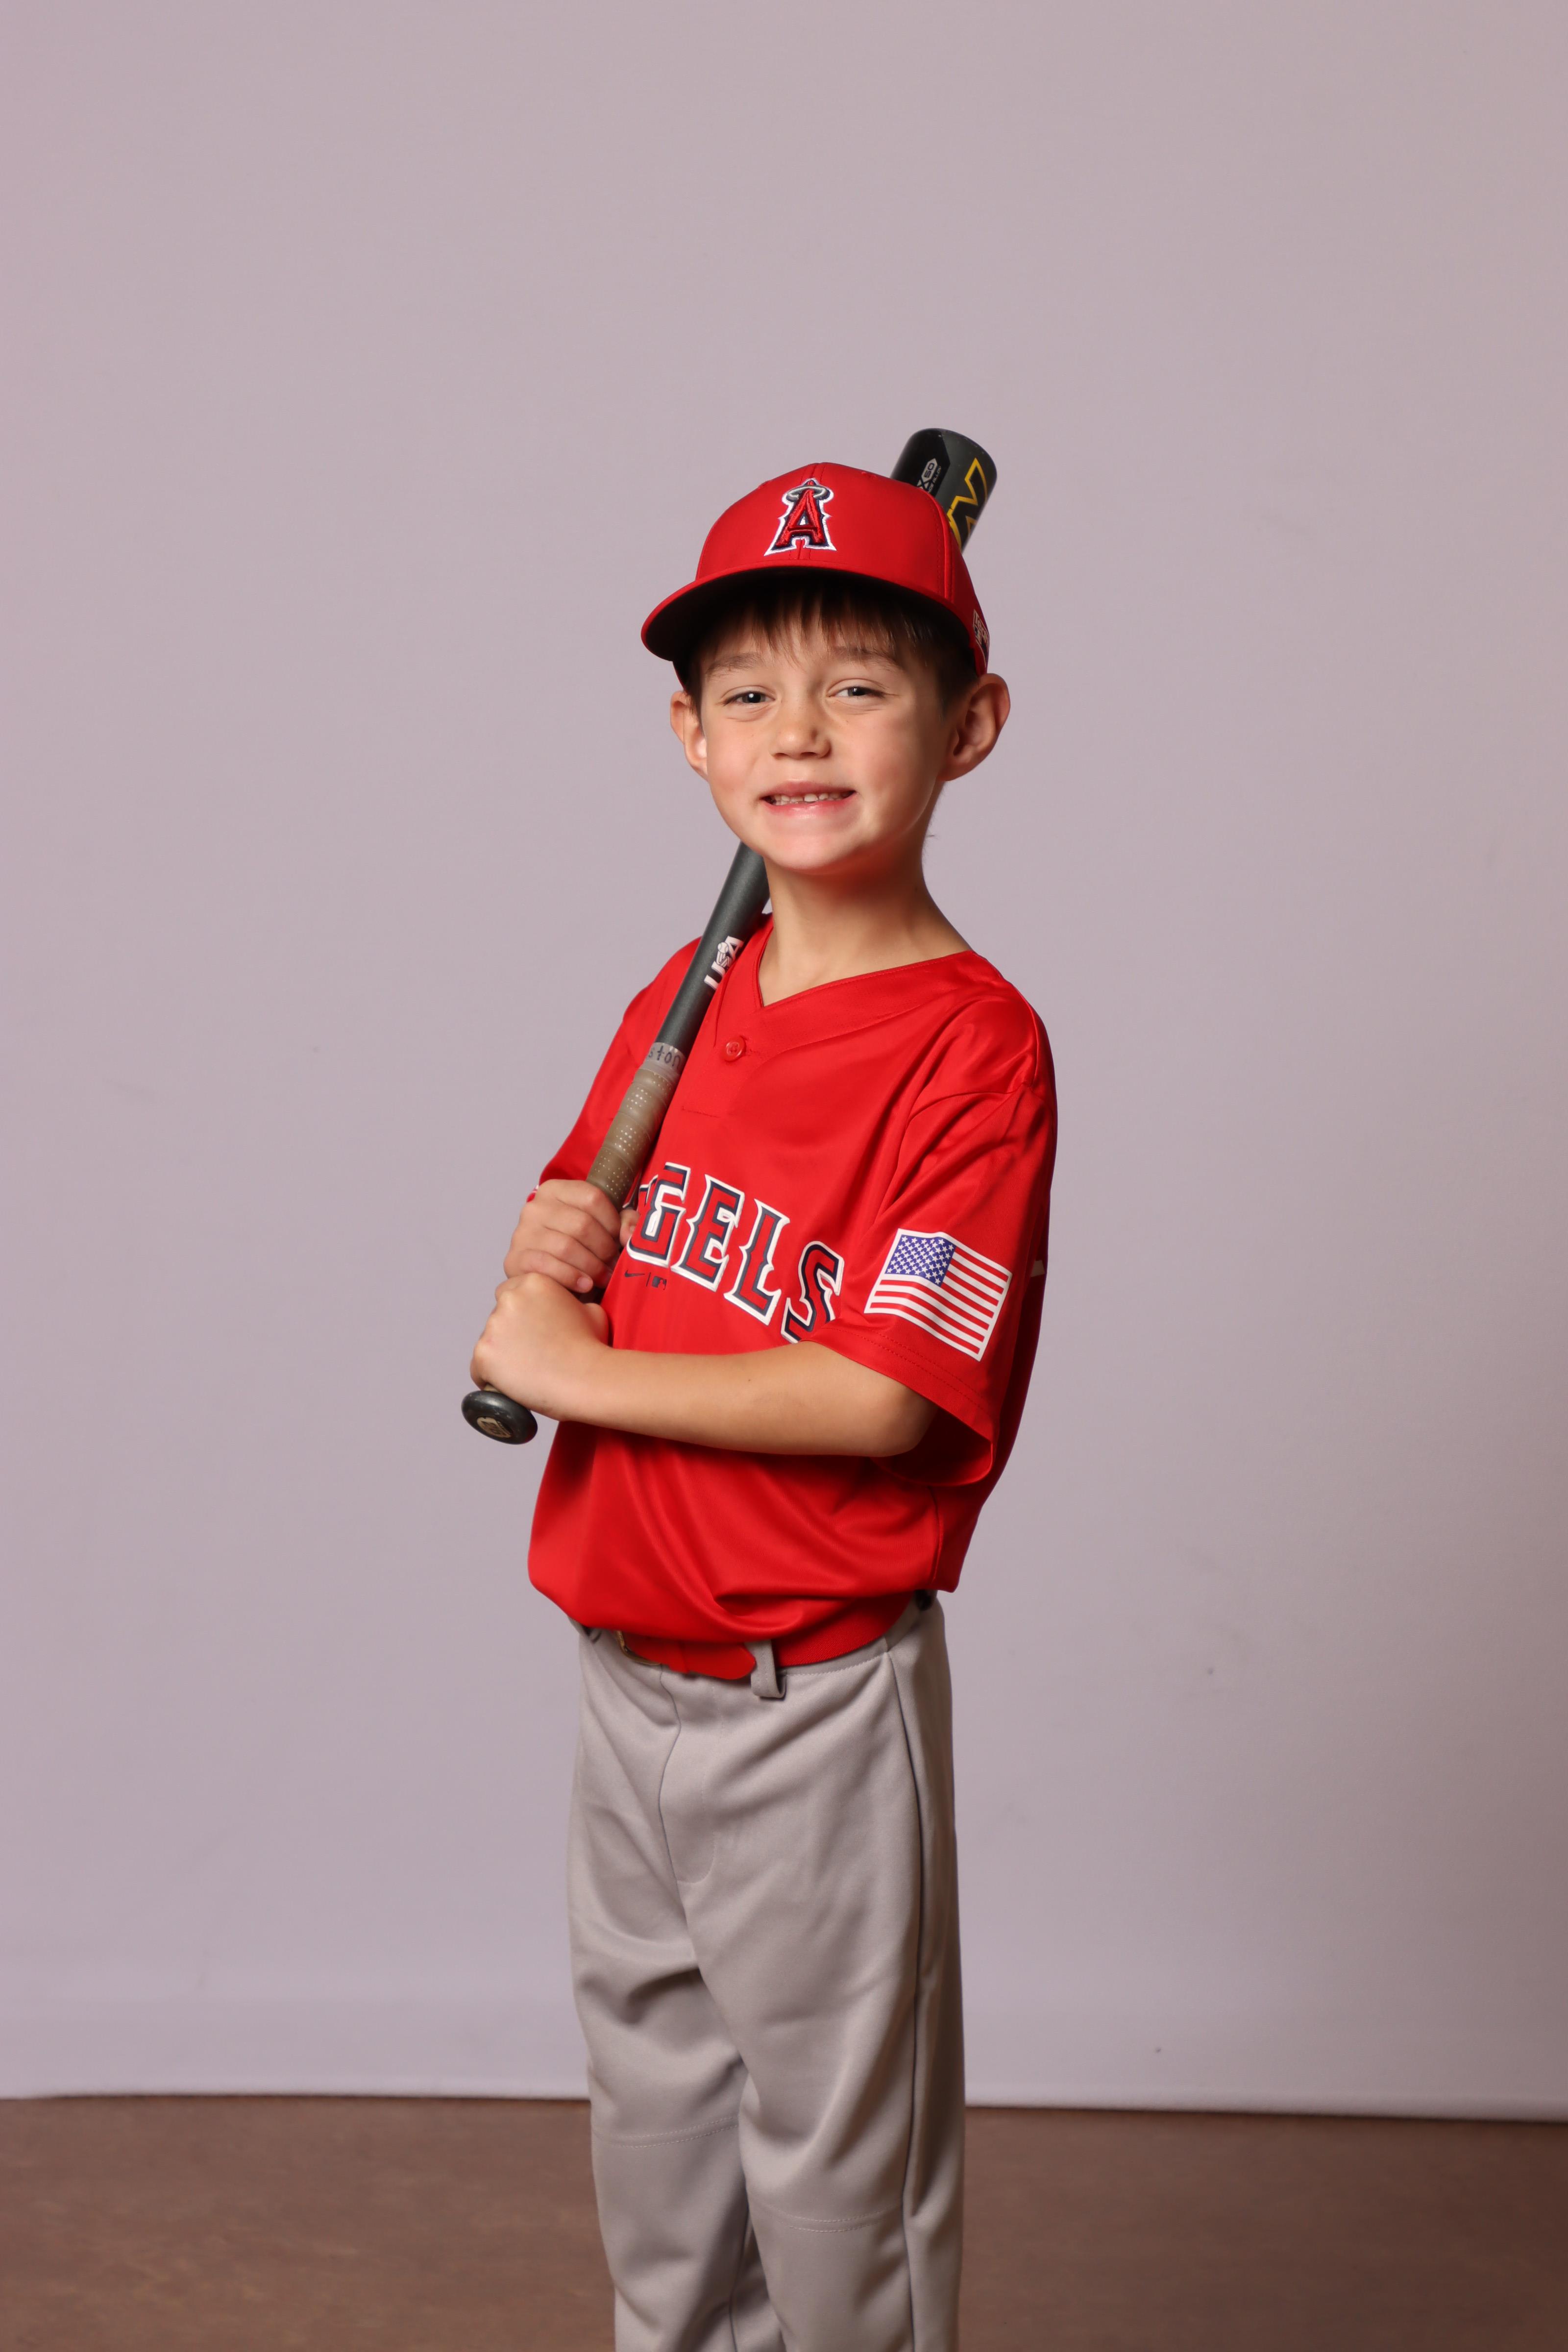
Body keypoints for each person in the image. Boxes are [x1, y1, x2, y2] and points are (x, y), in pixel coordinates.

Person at [470, 460, 1057, 2352]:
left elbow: (886, 1394)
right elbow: (590, 1230)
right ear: (691, 738)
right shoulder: (692, 988)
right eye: (748, 693)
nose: (797, 732)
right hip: (623, 1668)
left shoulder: (974, 1046)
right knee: (659, 2162)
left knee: (836, 2192)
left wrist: (572, 1369)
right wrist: (556, 1240)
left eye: (859, 686)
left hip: (810, 1697)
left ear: (969, 726)